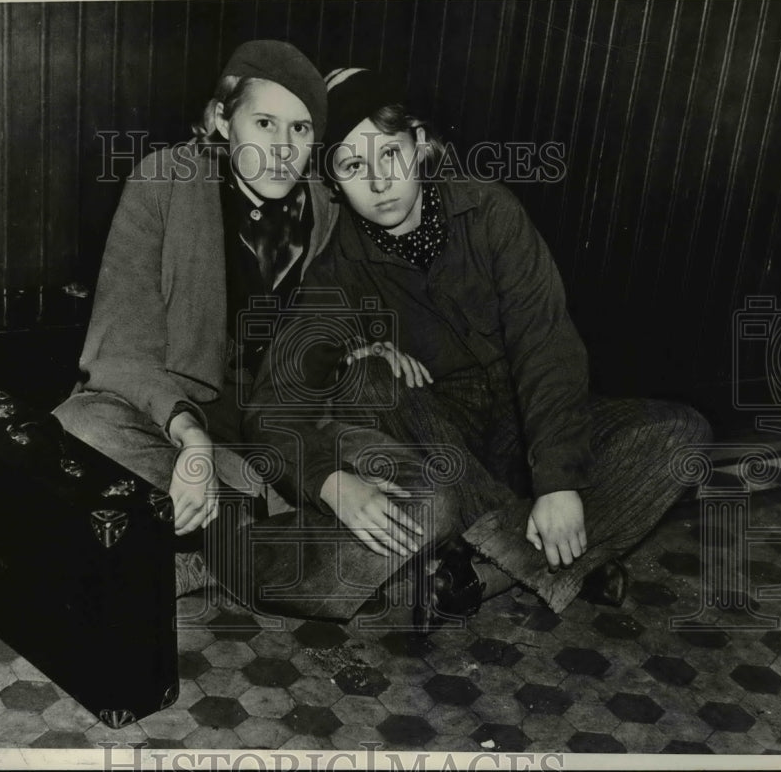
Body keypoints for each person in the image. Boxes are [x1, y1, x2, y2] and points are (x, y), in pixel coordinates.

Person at [237, 68, 713, 628]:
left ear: (419, 143)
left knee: (684, 435)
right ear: (333, 183)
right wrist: (330, 484)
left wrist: (558, 481)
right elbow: (271, 405)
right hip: (439, 437)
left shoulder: (490, 213)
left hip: (524, 425)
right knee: (374, 383)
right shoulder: (336, 272)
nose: (380, 182)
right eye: (352, 166)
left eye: (390, 154)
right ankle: (554, 561)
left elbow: (548, 346)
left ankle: (484, 569)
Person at [52, 41, 337, 593]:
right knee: (78, 425)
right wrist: (192, 441)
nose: (283, 148)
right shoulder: (164, 182)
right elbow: (120, 351)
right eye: (264, 122)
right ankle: (248, 519)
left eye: (300, 130)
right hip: (180, 410)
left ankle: (224, 530)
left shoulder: (324, 211)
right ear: (222, 121)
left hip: (276, 426)